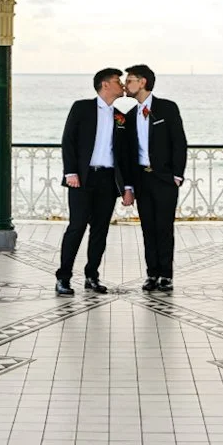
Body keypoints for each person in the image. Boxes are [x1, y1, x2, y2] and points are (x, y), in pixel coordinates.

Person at [55, 67, 134, 296]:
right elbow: (68, 140)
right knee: (77, 226)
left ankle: (92, 275)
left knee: (100, 230)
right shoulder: (82, 108)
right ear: (105, 85)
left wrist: (127, 187)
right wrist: (70, 172)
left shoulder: (120, 115)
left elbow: (125, 156)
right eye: (117, 81)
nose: (121, 85)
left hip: (108, 180)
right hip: (82, 178)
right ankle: (63, 278)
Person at [125, 64, 187, 292]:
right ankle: (151, 274)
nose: (126, 85)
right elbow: (128, 153)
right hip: (142, 179)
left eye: (130, 80)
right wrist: (128, 185)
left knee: (164, 228)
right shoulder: (130, 115)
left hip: (164, 179)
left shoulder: (167, 108)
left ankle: (166, 275)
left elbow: (179, 142)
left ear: (142, 82)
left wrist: (177, 176)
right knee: (148, 229)